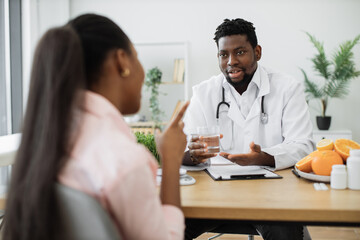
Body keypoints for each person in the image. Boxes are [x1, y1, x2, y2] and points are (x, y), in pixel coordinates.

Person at [3, 14, 189, 240]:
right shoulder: (124, 161)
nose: (143, 73)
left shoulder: (48, 139)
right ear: (122, 61)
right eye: (137, 58)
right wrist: (170, 161)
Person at [182, 19, 314, 240]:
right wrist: (194, 154)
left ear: (257, 52)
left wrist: (264, 157)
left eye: (240, 52)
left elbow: (304, 144)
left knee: (286, 232)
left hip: (271, 196)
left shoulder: (287, 88)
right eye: (223, 55)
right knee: (169, 226)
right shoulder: (203, 93)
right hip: (212, 195)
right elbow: (185, 147)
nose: (231, 62)